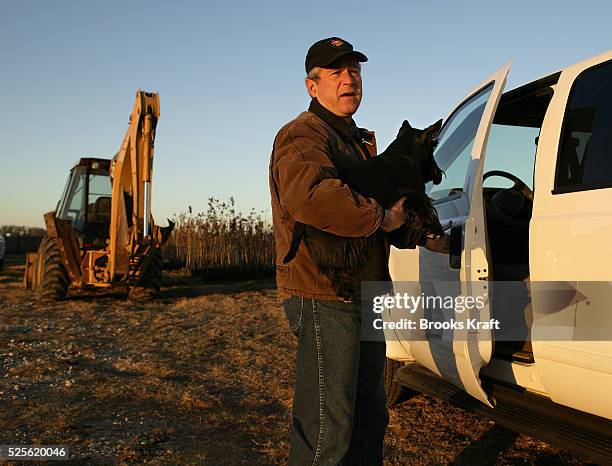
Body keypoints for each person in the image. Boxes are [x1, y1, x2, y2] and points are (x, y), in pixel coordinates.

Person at [268, 37, 448, 465]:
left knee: (371, 416)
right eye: (336, 72)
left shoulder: (354, 141)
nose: (349, 79)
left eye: (355, 71)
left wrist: (411, 228)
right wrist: (382, 218)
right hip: (323, 293)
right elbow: (312, 197)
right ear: (313, 87)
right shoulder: (303, 135)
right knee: (329, 430)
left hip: (364, 292)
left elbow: (382, 212)